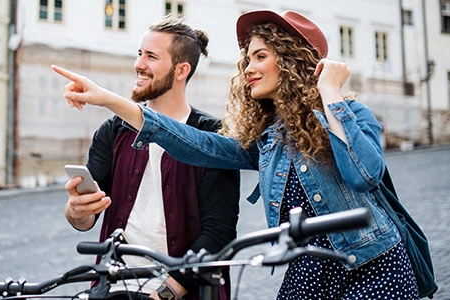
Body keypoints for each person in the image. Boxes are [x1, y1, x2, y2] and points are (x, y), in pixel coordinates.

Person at [53, 9, 421, 300]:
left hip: (373, 266)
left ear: (293, 60)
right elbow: (195, 143)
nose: (249, 68)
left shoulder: (351, 114)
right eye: (247, 59)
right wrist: (109, 99)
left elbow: (364, 174)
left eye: (260, 56)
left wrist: (331, 95)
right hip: (308, 272)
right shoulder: (268, 140)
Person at [62, 15, 240, 300]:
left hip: (184, 293)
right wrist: (77, 210)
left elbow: (218, 234)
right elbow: (83, 220)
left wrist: (164, 294)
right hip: (114, 288)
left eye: (152, 57)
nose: (139, 64)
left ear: (181, 70)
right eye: (139, 54)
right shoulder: (113, 131)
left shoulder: (213, 135)